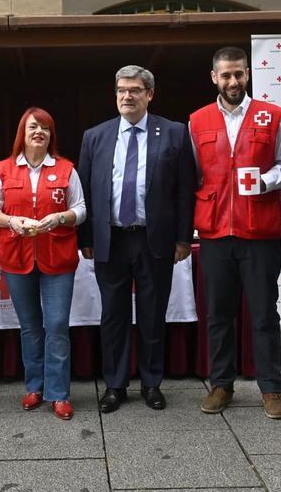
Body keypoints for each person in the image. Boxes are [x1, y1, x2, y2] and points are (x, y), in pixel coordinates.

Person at [78, 65, 196, 413]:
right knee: (112, 315)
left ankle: (150, 383)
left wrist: (183, 238)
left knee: (152, 312)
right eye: (120, 90)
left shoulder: (174, 133)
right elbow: (85, 190)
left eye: (134, 90)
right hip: (110, 240)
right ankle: (115, 385)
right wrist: (86, 237)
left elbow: (185, 191)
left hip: (153, 239)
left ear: (149, 94)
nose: (126, 96)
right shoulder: (95, 136)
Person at [189, 47, 281, 419]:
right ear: (214, 77)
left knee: (264, 313)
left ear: (248, 74)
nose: (233, 82)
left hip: (259, 231)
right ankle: (221, 384)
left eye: (239, 75)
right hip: (215, 232)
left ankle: (271, 388)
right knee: (218, 314)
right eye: (226, 75)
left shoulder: (273, 116)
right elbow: (195, 175)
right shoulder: (196, 121)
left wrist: (266, 181)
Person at [0, 107, 87, 421]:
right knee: (30, 327)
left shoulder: (67, 169)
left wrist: (61, 217)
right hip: (17, 258)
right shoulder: (3, 169)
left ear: (51, 134)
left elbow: (81, 208)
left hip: (57, 258)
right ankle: (34, 387)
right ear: (22, 133)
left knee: (56, 325)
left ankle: (59, 393)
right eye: (32, 127)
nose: (38, 132)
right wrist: (10, 220)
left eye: (44, 127)